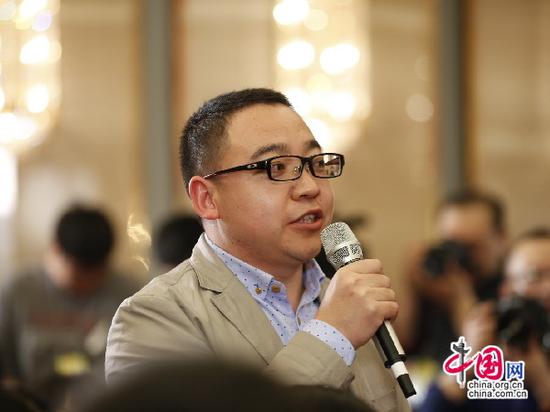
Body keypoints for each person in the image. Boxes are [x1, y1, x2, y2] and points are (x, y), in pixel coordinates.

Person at [105, 88, 410, 410]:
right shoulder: (155, 316)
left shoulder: (350, 299)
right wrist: (333, 335)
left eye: (315, 162)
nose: (310, 187)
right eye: (275, 168)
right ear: (207, 198)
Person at [0, 205, 140, 409]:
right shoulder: (17, 292)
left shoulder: (130, 295)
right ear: (55, 249)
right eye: (78, 274)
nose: (86, 283)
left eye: (95, 275)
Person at [417, 227, 550, 412]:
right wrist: (468, 361)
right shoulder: (493, 348)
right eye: (534, 276)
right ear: (507, 290)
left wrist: (543, 384)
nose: (548, 288)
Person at [395, 191, 507, 365]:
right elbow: (399, 347)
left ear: (501, 238)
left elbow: (490, 359)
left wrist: (459, 297)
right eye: (450, 245)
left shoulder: (512, 288)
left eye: (471, 247)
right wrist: (411, 286)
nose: (458, 257)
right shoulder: (434, 283)